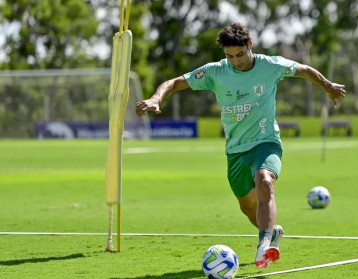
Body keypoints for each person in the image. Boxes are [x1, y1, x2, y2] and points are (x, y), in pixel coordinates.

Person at [136, 23, 346, 268]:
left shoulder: (271, 65)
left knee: (265, 181)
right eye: (229, 56)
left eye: (240, 54)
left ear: (250, 46)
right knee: (247, 207)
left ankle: (264, 245)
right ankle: (271, 232)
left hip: (266, 142)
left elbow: (305, 70)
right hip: (235, 150)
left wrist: (328, 86)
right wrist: (155, 97)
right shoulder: (215, 72)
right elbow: (174, 82)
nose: (235, 61)